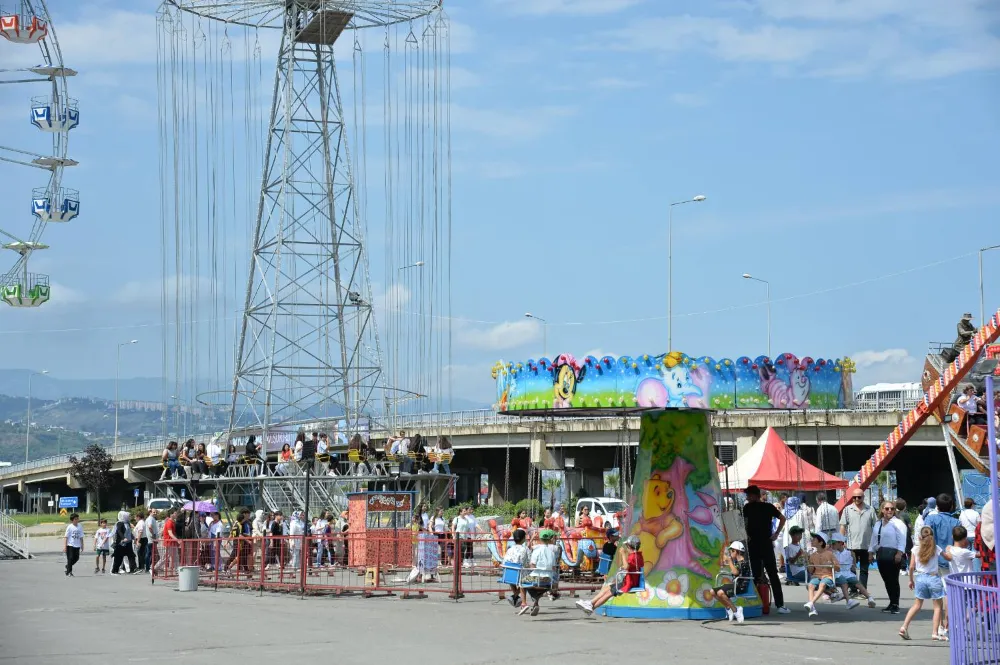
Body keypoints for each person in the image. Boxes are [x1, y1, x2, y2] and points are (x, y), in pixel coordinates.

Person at [742, 485, 789, 614]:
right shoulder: (746, 508)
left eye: (749, 495)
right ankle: (758, 603)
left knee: (772, 573)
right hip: (754, 545)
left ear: (756, 495)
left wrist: (776, 533)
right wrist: (746, 534)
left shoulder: (768, 507)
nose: (747, 497)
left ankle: (780, 604)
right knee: (756, 574)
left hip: (766, 543)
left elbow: (782, 519)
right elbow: (742, 523)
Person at [576, 534, 643, 615]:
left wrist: (622, 554)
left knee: (608, 593)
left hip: (628, 583)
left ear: (629, 546)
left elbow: (626, 567)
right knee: (606, 588)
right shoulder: (638, 555)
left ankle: (592, 607)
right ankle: (590, 603)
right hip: (628, 581)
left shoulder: (633, 557)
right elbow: (629, 566)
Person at [899, 526, 947, 641]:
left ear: (920, 537)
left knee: (917, 605)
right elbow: (948, 557)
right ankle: (935, 632)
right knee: (937, 607)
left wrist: (911, 580)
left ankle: (904, 626)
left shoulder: (915, 549)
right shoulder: (936, 548)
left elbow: (911, 567)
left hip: (920, 578)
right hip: (933, 578)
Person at [868, 499, 906, 614]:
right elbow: (874, 539)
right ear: (882, 510)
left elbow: (902, 539)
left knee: (893, 579)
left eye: (892, 509)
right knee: (886, 580)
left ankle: (895, 604)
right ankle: (891, 602)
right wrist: (871, 552)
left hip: (893, 553)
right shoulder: (878, 523)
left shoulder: (898, 523)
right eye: (887, 508)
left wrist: (899, 553)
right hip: (881, 553)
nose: (889, 511)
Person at [840, 487, 876, 593]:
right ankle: (853, 589)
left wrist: (874, 546)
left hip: (866, 545)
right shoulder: (847, 510)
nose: (856, 499)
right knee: (851, 569)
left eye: (859, 497)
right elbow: (843, 526)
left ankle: (863, 590)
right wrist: (842, 542)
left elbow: (876, 526)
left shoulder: (870, 509)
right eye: (854, 497)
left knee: (864, 570)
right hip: (851, 545)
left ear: (863, 497)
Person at [519, 530, 560, 616]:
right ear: (549, 540)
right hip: (548, 579)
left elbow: (532, 566)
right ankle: (535, 603)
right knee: (539, 588)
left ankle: (523, 603)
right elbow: (553, 567)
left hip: (537, 578)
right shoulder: (552, 553)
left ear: (540, 539)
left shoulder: (537, 550)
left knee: (521, 583)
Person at [711, 541, 753, 623]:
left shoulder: (744, 562)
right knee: (713, 592)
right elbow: (734, 570)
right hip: (735, 585)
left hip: (740, 587)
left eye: (731, 551)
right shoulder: (737, 562)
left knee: (720, 592)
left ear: (736, 551)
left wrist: (730, 562)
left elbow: (735, 572)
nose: (730, 554)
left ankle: (735, 610)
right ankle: (729, 608)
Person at [830, 532, 875, 608]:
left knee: (857, 582)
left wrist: (853, 569)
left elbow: (853, 565)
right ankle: (848, 600)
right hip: (837, 573)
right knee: (843, 581)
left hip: (847, 572)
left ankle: (870, 598)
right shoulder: (832, 553)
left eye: (834, 543)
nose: (832, 545)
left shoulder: (850, 553)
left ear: (840, 543)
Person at [803, 532, 840, 617]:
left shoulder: (829, 554)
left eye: (814, 539)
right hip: (817, 576)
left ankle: (811, 603)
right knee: (811, 585)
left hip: (828, 576)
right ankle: (812, 609)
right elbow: (811, 571)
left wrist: (831, 564)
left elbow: (838, 568)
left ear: (821, 542)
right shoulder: (812, 555)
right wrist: (807, 561)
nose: (812, 541)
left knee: (822, 584)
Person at [502, 528, 531, 610]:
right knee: (524, 581)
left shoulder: (510, 549)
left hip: (510, 573)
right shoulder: (525, 549)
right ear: (523, 539)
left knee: (512, 578)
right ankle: (523, 602)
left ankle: (515, 595)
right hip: (521, 572)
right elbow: (529, 561)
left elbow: (505, 560)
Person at [111, 510, 138, 575]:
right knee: (118, 557)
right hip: (121, 543)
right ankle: (114, 571)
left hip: (128, 542)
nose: (128, 517)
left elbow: (129, 532)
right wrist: (123, 538)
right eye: (127, 516)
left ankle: (133, 569)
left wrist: (133, 537)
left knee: (131, 555)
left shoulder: (128, 523)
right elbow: (119, 532)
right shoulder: (119, 523)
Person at [64, 513, 84, 577]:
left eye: (77, 519)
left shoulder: (80, 526)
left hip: (77, 545)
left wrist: (82, 545)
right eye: (75, 519)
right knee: (70, 558)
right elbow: (66, 537)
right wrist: (65, 547)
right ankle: (69, 572)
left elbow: (81, 536)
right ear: (72, 520)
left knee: (76, 558)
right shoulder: (69, 527)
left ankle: (68, 566)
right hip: (70, 545)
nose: (77, 520)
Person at [143, 509, 159, 573]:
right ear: (150, 512)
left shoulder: (152, 518)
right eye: (153, 512)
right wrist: (153, 534)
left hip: (151, 539)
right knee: (149, 553)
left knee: (151, 553)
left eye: (156, 512)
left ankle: (150, 566)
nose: (155, 513)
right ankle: (148, 567)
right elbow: (150, 527)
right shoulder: (150, 519)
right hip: (151, 539)